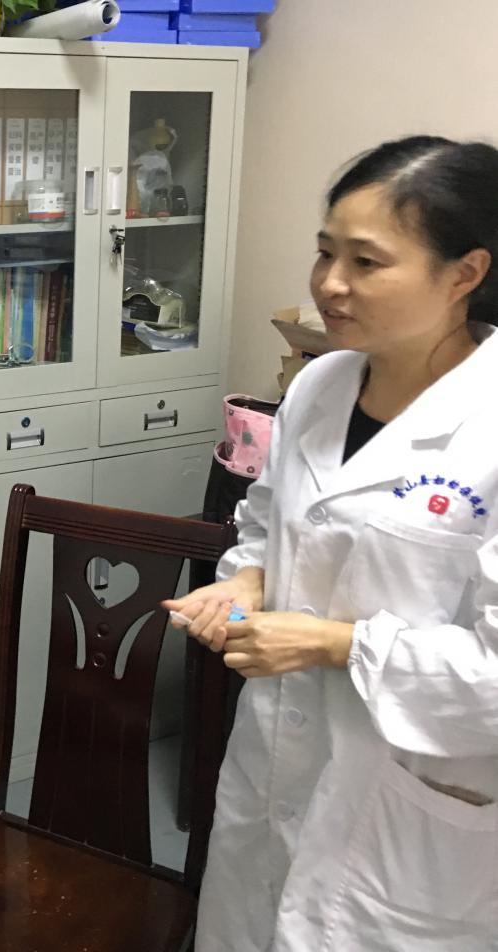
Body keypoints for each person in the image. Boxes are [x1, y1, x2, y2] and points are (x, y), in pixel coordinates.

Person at [165, 135, 498, 951]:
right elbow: (266, 521)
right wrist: (245, 581)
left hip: (409, 807)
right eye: (323, 252)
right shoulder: (319, 382)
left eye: (365, 261)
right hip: (273, 761)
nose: (328, 283)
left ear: (464, 273)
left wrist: (331, 645)